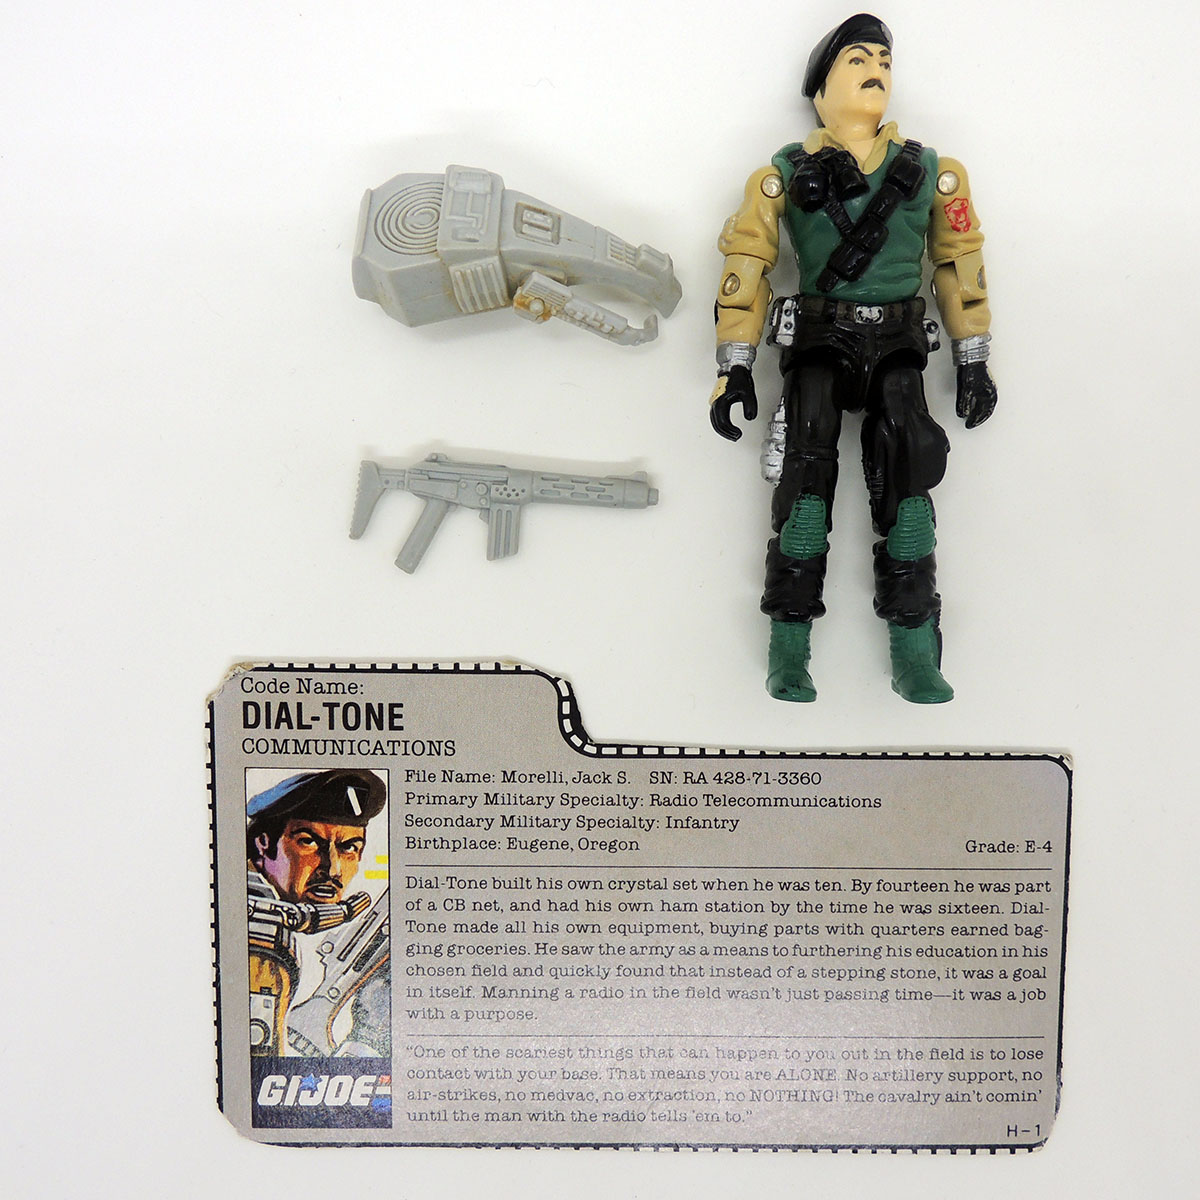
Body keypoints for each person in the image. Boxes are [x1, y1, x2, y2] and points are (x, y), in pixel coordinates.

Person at [709, 13, 997, 703]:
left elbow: (960, 266)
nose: (876, 71)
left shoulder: (932, 172)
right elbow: (747, 264)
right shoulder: (784, 173)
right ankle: (788, 647)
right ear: (820, 86)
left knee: (909, 498)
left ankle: (914, 650)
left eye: (884, 61)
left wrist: (973, 357)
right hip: (818, 339)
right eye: (857, 60)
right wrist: (735, 365)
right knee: (803, 497)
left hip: (898, 346)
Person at [246, 768, 386, 1055]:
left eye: (349, 848)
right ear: (263, 843)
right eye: (308, 842)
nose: (333, 868)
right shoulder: (260, 939)